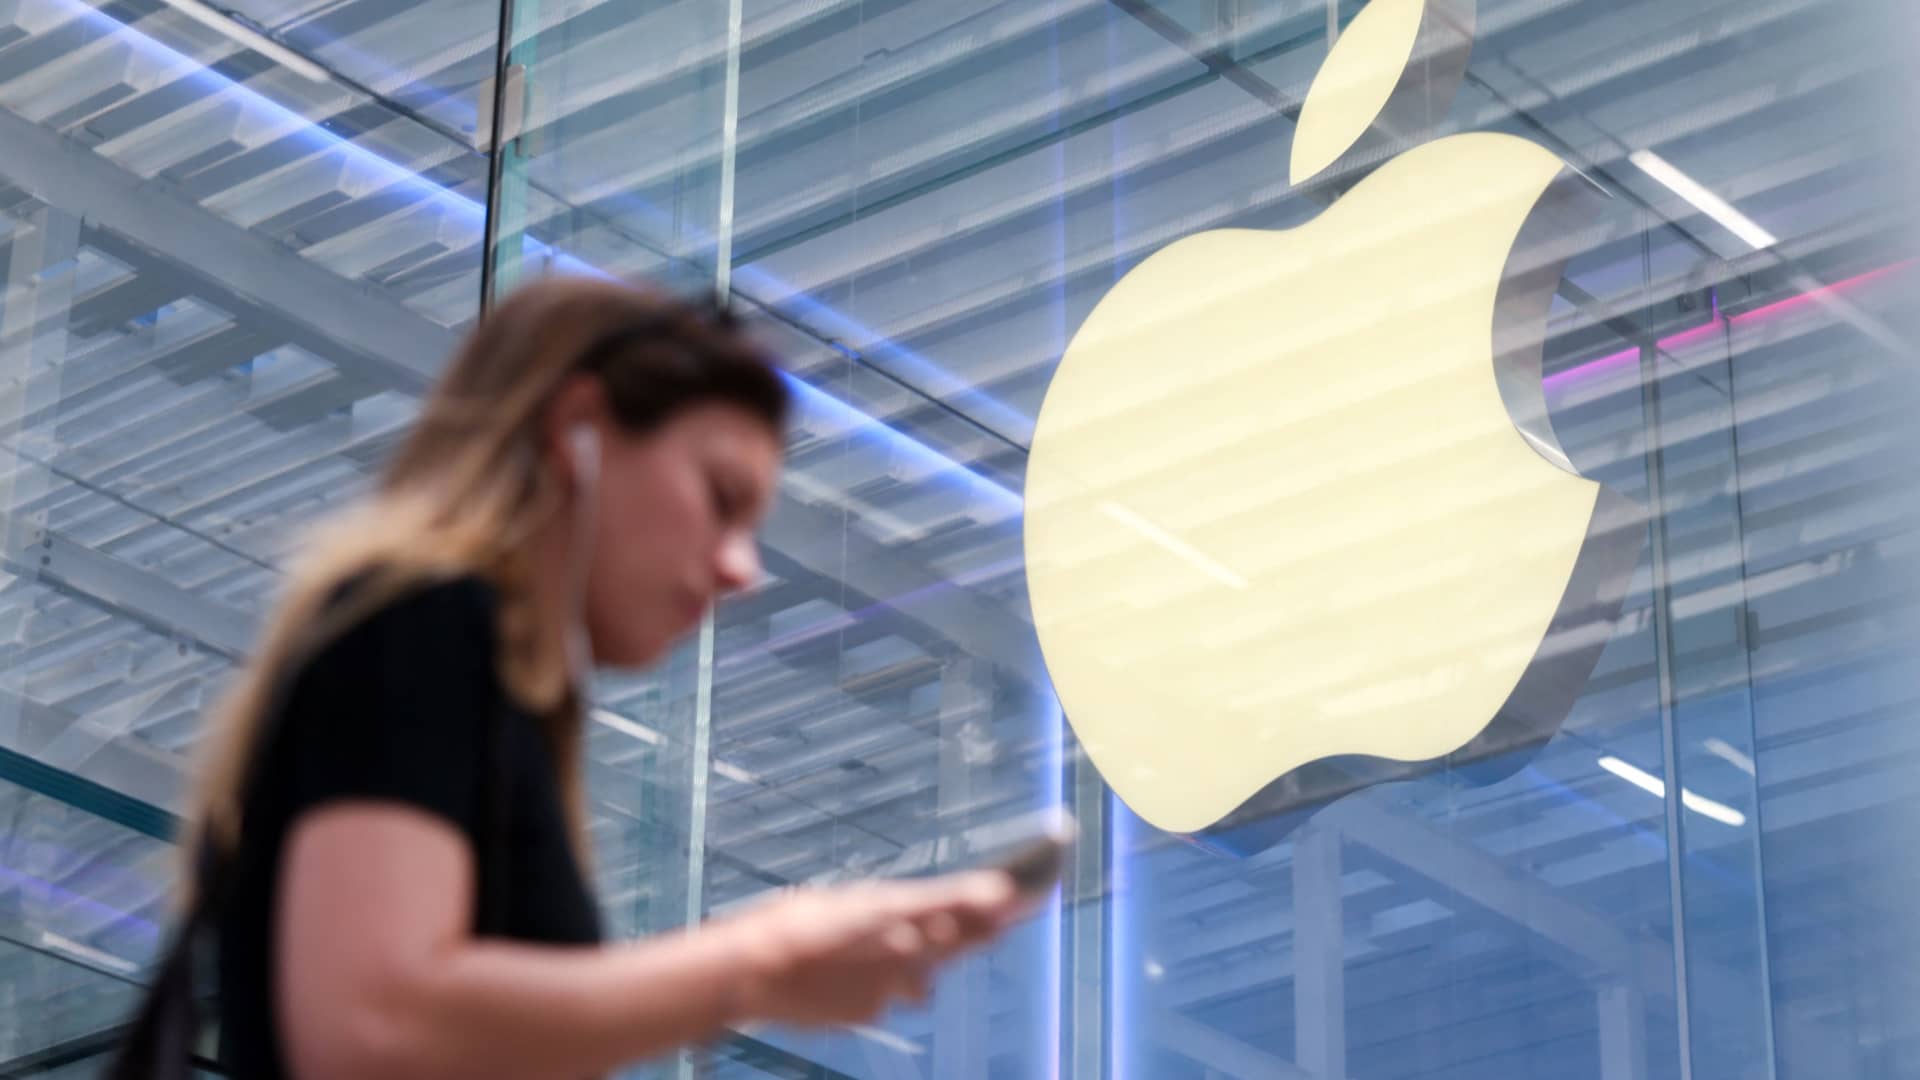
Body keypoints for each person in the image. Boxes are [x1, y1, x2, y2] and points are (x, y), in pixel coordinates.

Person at [178, 278, 1028, 1079]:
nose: (741, 571)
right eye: (720, 496)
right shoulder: (427, 624)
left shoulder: (478, 685)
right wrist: (754, 963)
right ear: (578, 426)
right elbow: (369, 1027)